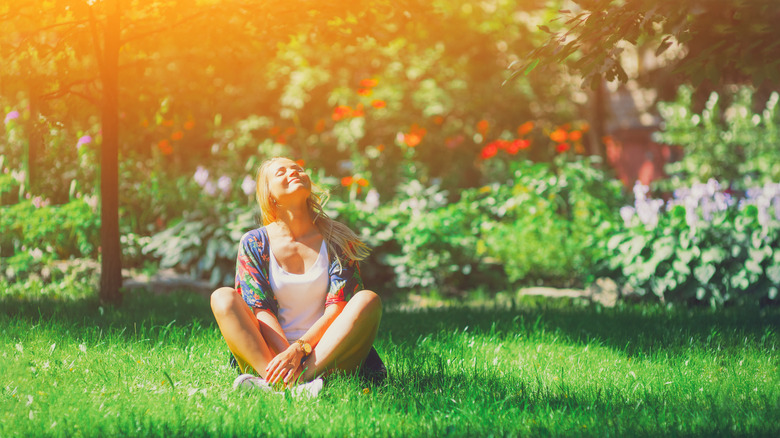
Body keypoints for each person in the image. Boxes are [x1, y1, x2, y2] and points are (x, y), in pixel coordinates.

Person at [210, 157, 384, 393]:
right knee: (223, 297)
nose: (293, 173)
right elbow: (260, 309)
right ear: (269, 193)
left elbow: (337, 309)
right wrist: (285, 355)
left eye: (298, 169)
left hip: (327, 351)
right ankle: (279, 380)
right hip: (270, 354)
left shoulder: (337, 239)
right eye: (281, 172)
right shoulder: (255, 243)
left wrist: (300, 349)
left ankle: (295, 383)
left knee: (367, 299)